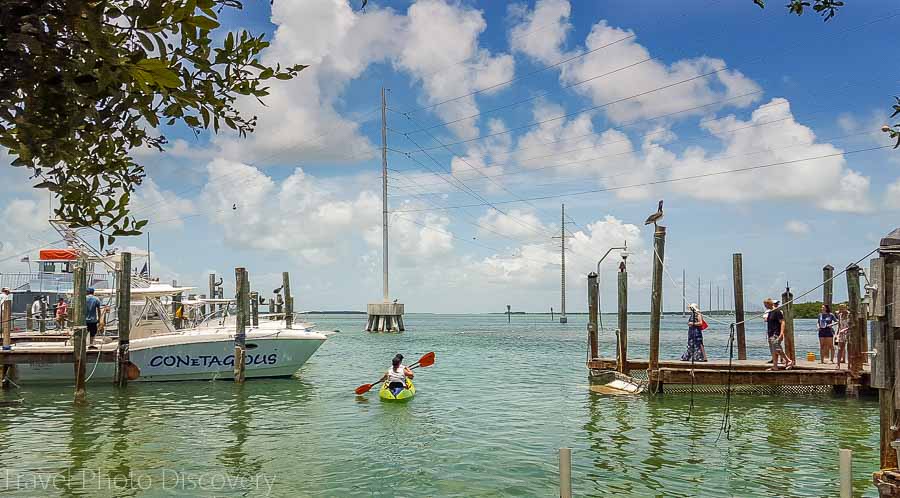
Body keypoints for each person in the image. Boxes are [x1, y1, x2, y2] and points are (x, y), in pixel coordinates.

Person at [765, 298, 793, 370]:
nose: (765, 306)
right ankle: (775, 366)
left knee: (777, 349)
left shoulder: (777, 311)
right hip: (770, 334)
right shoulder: (770, 312)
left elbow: (782, 322)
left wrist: (781, 333)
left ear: (769, 304)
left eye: (765, 305)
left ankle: (788, 361)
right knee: (774, 351)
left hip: (776, 333)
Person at [835, 304, 850, 369]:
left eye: (842, 308)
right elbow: (839, 325)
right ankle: (838, 364)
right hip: (841, 334)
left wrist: (845, 330)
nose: (841, 310)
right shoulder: (840, 315)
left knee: (849, 349)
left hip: (849, 333)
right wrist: (836, 334)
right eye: (840, 309)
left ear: (846, 308)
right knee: (840, 349)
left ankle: (849, 365)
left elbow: (852, 325)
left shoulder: (850, 315)